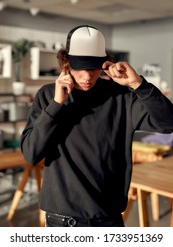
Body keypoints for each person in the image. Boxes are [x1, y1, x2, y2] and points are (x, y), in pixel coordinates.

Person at [20, 25, 173, 227]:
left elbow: (168, 123)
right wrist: (56, 105)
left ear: (103, 64)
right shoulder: (49, 95)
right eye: (80, 67)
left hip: (108, 218)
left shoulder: (121, 96)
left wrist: (138, 84)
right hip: (62, 220)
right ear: (66, 63)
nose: (87, 76)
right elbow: (31, 153)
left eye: (92, 68)